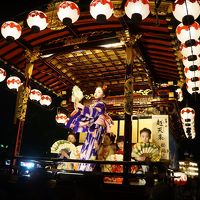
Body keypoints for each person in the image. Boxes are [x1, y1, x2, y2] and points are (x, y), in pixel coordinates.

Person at [65, 85, 113, 171]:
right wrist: (78, 108)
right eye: (95, 91)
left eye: (99, 92)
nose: (96, 93)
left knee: (91, 150)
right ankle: (83, 169)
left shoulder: (101, 104)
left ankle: (87, 171)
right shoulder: (93, 104)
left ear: (103, 95)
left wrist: (82, 107)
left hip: (97, 128)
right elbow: (87, 114)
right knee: (85, 149)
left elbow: (93, 113)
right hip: (92, 128)